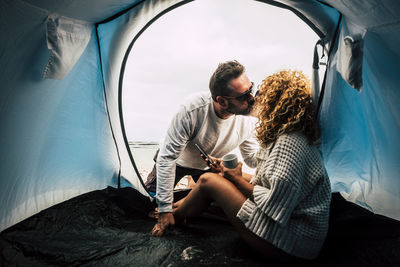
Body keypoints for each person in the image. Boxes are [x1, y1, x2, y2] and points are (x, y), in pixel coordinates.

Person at [153, 70, 331, 262]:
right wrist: (230, 174)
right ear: (222, 100)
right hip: (293, 235)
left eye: (260, 94)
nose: (255, 99)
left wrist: (237, 178)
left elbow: (273, 205)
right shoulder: (287, 136)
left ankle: (174, 217)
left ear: (278, 104)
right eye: (248, 95)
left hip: (290, 242)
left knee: (208, 180)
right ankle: (172, 209)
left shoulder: (290, 142)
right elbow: (270, 184)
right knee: (218, 177)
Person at [149, 60, 260, 236]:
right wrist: (164, 210)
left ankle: (183, 204)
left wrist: (273, 137)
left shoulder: (247, 118)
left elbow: (252, 160)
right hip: (176, 160)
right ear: (222, 101)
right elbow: (168, 158)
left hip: (208, 165)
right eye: (243, 96)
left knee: (213, 207)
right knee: (148, 205)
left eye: (251, 89)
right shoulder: (193, 109)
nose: (252, 99)